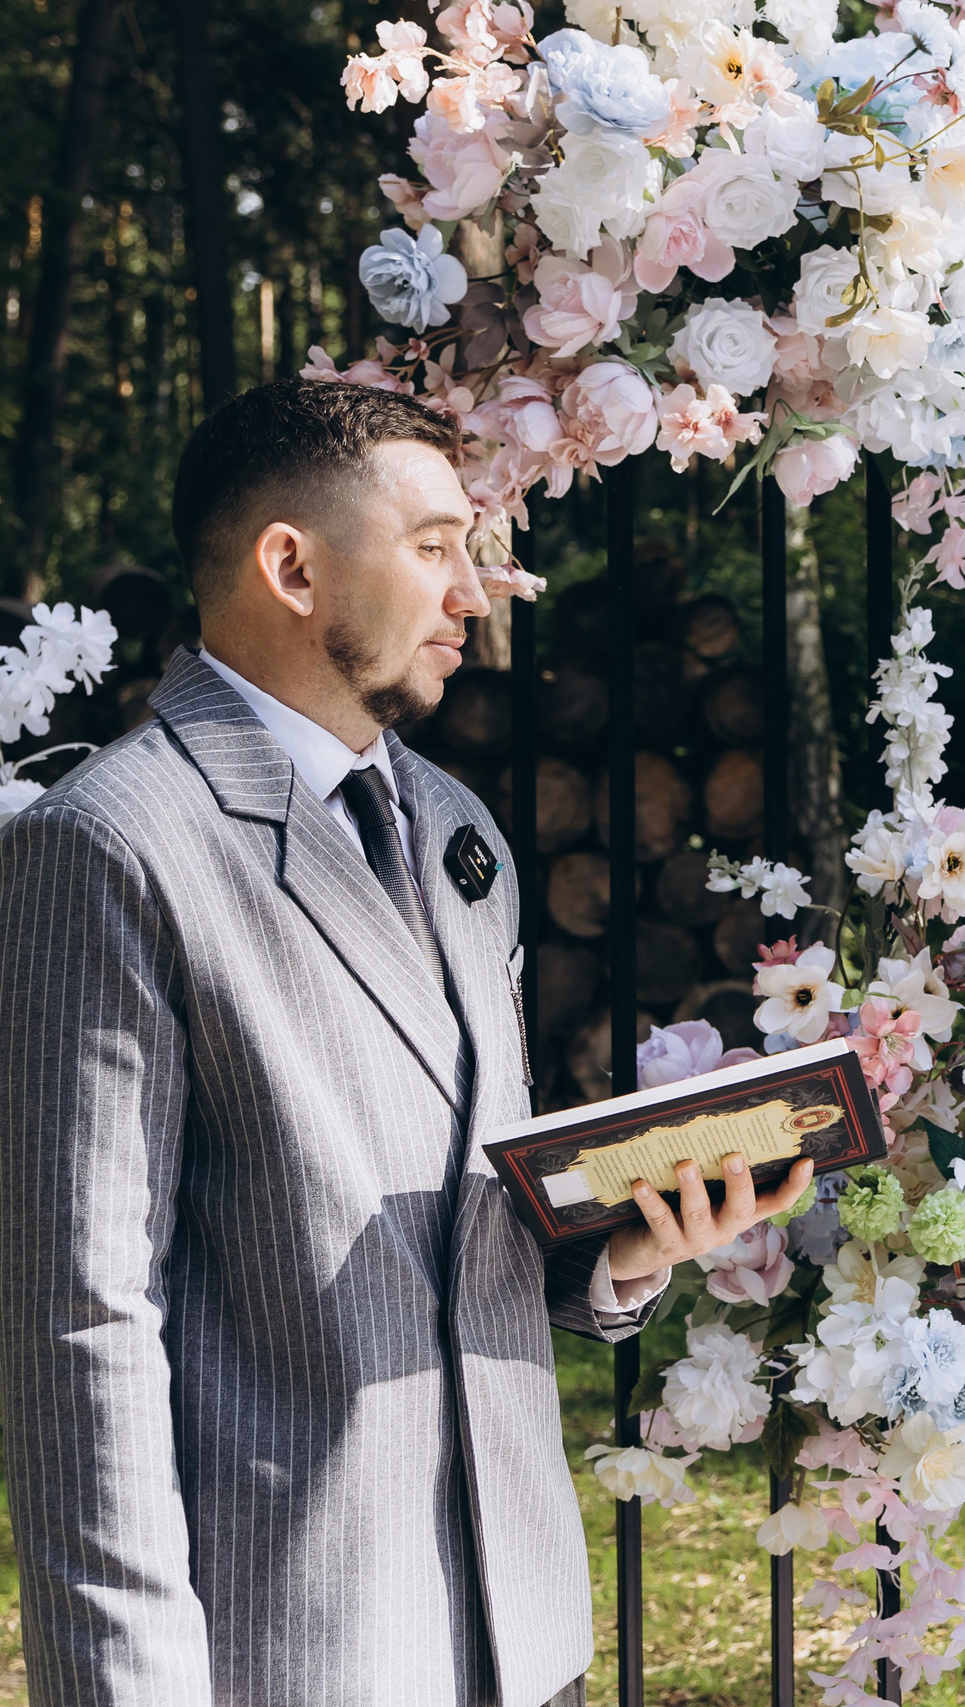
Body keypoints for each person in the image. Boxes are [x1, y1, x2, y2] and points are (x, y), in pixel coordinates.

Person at [0, 379, 813, 1707]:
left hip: (522, 1628)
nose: (474, 592)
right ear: (291, 564)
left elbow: (455, 1215)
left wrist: (628, 1247)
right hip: (294, 1650)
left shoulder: (451, 825)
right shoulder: (105, 843)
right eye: (434, 545)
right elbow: (80, 1325)